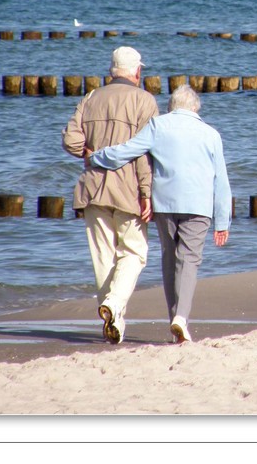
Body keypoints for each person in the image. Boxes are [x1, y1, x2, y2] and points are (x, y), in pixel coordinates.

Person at [86, 84, 231, 344]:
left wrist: (98, 157)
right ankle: (181, 319)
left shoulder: (158, 126)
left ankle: (175, 319)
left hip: (164, 203)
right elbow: (221, 181)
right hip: (198, 206)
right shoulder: (211, 134)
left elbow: (128, 150)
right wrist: (222, 220)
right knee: (189, 260)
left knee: (169, 258)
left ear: (171, 106)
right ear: (196, 107)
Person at [62, 46, 159, 344]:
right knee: (134, 252)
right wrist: (147, 192)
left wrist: (89, 154)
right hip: (128, 188)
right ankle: (114, 307)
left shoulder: (91, 97)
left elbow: (69, 140)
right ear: (137, 71)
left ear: (111, 70)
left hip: (92, 188)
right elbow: (145, 153)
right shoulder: (145, 100)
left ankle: (113, 316)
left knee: (103, 257)